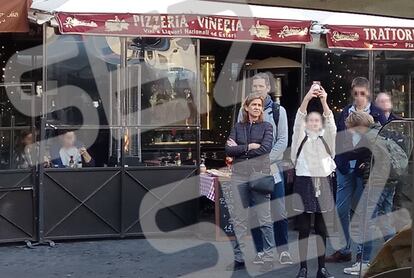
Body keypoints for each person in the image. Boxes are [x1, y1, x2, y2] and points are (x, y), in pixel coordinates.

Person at [327, 77, 387, 265]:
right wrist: (338, 161)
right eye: (356, 93)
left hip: (364, 170)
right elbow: (337, 137)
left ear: (368, 93)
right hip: (345, 167)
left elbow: (382, 141)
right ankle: (344, 250)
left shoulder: (377, 114)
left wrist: (368, 161)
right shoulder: (345, 111)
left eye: (363, 93)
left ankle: (363, 256)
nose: (359, 97)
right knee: (340, 209)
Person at [237, 72, 292, 265]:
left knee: (279, 210)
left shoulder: (279, 111)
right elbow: (239, 136)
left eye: (261, 86)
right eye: (254, 87)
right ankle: (261, 250)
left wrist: (267, 159)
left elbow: (283, 139)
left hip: (272, 169)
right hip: (251, 169)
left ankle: (283, 250)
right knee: (254, 211)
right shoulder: (244, 110)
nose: (257, 90)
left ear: (268, 88)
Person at [225, 93, 275, 272]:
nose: (256, 107)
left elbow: (265, 149)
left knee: (264, 218)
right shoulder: (238, 127)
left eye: (259, 105)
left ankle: (268, 256)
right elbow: (228, 150)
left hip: (259, 175)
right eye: (253, 104)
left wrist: (241, 151)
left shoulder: (267, 127)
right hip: (239, 176)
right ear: (246, 107)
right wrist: (248, 147)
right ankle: (240, 257)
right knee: (239, 219)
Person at [291, 83, 336, 278]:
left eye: (318, 120)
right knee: (302, 229)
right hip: (303, 181)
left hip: (324, 181)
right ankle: (302, 268)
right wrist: (308, 97)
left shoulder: (328, 137)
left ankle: (322, 268)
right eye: (311, 120)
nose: (314, 122)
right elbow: (299, 117)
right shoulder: (300, 136)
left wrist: (324, 101)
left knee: (321, 228)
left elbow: (331, 122)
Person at [340, 111, 393, 276]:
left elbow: (354, 153)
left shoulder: (369, 137)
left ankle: (364, 262)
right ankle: (401, 254)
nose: (352, 132)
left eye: (353, 129)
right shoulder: (379, 131)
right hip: (390, 182)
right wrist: (365, 162)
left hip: (377, 183)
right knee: (384, 221)